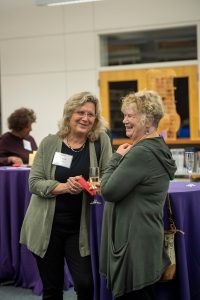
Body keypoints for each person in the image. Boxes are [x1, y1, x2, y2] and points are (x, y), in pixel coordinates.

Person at [20, 91, 113, 300]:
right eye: (80, 112)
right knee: (52, 289)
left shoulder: (100, 141)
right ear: (69, 114)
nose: (85, 118)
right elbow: (34, 183)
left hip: (80, 229)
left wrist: (98, 185)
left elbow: (109, 175)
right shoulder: (49, 143)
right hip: (46, 226)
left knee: (86, 284)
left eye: (91, 114)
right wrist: (63, 186)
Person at [99, 90, 177, 300]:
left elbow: (107, 191)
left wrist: (115, 158)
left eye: (130, 115)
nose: (124, 120)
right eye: (124, 115)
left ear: (148, 120)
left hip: (133, 245)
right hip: (144, 239)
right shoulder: (158, 146)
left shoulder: (141, 152)